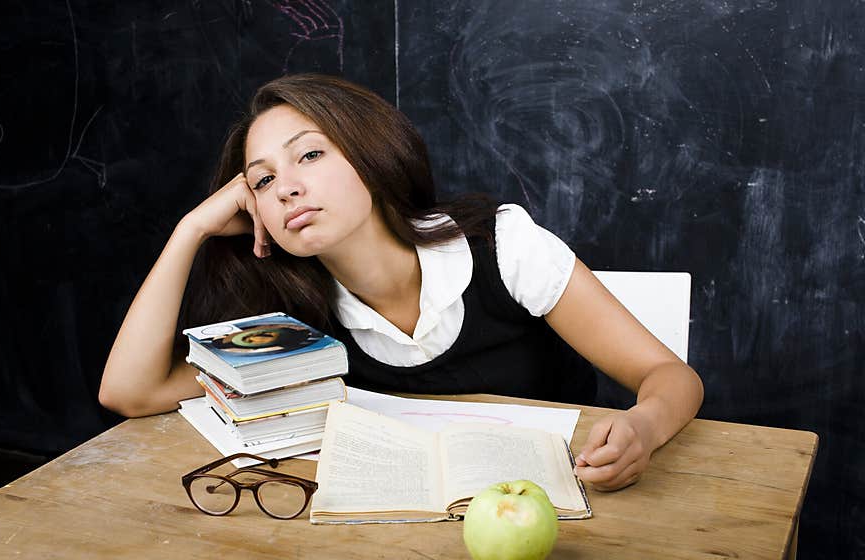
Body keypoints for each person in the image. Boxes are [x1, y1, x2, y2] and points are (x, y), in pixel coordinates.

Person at [99, 73, 703, 492]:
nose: (285, 188)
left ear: (369, 151)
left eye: (309, 155)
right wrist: (191, 229)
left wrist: (643, 428)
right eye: (260, 182)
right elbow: (131, 392)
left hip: (567, 506)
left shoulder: (502, 246)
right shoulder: (298, 315)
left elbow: (671, 377)